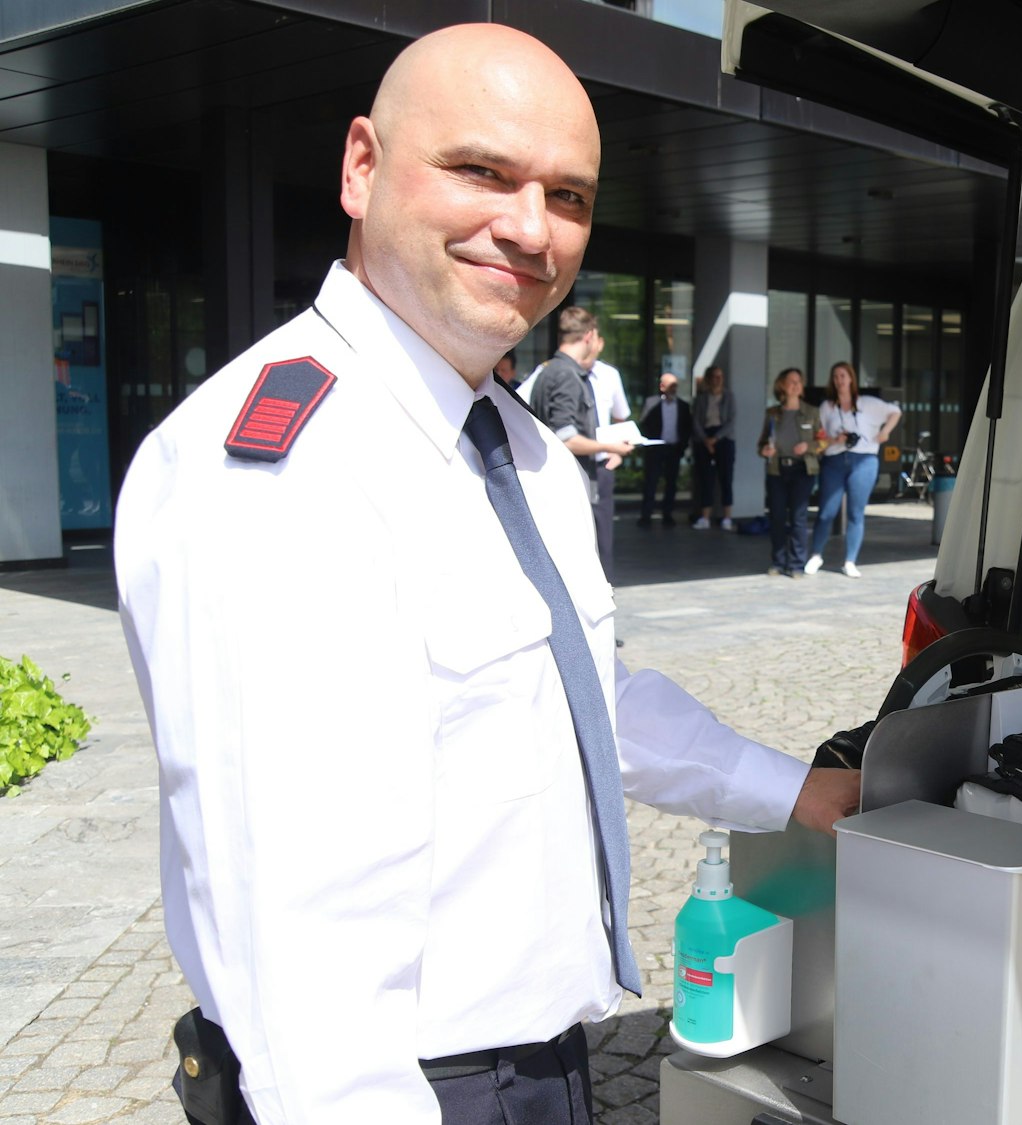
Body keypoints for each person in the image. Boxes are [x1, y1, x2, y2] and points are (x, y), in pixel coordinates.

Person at [112, 24, 859, 1125]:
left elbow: (575, 699)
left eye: (567, 195)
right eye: (480, 172)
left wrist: (793, 792)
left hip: (539, 1065)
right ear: (361, 168)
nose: (529, 227)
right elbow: (295, 939)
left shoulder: (517, 449)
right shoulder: (280, 467)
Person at [528, 306, 631, 581]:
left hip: (556, 479)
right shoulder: (566, 375)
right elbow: (567, 437)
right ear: (588, 336)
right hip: (572, 479)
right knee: (588, 554)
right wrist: (612, 448)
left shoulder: (548, 371)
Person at [805, 360, 901, 577]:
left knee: (856, 512)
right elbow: (819, 437)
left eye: (843, 375)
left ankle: (850, 560)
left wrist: (885, 432)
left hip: (864, 460)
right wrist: (835, 439)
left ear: (851, 379)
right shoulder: (827, 407)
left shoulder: (867, 403)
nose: (839, 380)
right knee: (826, 511)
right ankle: (815, 555)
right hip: (834, 460)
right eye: (836, 376)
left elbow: (895, 411)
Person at [759, 367, 819, 577]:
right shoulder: (772, 413)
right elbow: (762, 443)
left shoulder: (812, 412)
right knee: (776, 516)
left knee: (798, 517)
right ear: (782, 386)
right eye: (790, 381)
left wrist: (808, 447)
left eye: (798, 381)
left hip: (802, 469)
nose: (795, 385)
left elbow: (822, 441)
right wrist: (765, 450)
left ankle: (796, 564)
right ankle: (778, 561)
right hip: (777, 469)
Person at [637, 370, 692, 526]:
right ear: (662, 386)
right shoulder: (652, 403)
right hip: (656, 448)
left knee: (671, 483)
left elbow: (687, 428)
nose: (674, 388)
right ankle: (646, 515)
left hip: (673, 448)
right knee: (651, 481)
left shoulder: (683, 406)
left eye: (676, 385)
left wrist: (683, 446)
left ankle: (667, 514)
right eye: (671, 385)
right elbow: (643, 422)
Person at [690, 364, 735, 531]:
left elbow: (731, 421)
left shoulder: (729, 397)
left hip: (723, 438)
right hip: (704, 437)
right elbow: (695, 420)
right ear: (709, 379)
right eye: (715, 377)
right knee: (705, 479)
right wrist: (706, 440)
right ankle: (705, 517)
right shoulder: (701, 398)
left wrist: (716, 438)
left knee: (726, 478)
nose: (718, 380)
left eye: (720, 377)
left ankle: (727, 517)